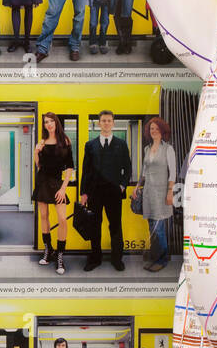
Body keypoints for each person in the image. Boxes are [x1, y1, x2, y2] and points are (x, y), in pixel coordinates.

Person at [80, 109, 132, 272]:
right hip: (95, 193)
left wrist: (122, 185)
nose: (106, 123)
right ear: (99, 123)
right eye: (103, 120)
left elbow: (128, 168)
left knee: (115, 226)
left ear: (113, 123)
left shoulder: (121, 144)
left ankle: (117, 259)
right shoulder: (90, 145)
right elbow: (85, 171)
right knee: (95, 226)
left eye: (109, 120)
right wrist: (83, 193)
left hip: (114, 193)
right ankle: (95, 259)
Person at [133, 116, 178, 272]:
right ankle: (155, 257)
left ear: (162, 130)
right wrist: (137, 186)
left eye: (156, 128)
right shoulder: (147, 149)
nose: (154, 131)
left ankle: (162, 259)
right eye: (151, 128)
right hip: (148, 193)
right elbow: (144, 171)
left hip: (162, 192)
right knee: (151, 227)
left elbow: (173, 173)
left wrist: (170, 192)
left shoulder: (168, 149)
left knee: (158, 229)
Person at [33, 111, 75, 274]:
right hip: (42, 181)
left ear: (56, 122)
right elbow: (39, 166)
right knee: (44, 217)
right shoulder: (42, 142)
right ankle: (48, 249)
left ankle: (60, 255)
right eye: (45, 122)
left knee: (62, 219)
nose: (48, 124)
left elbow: (70, 166)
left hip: (58, 184)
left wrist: (63, 188)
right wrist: (36, 152)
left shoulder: (65, 141)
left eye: (51, 121)